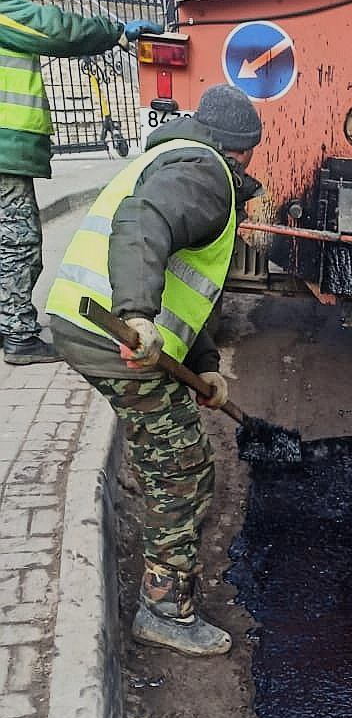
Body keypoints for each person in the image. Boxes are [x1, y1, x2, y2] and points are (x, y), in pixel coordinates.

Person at [46, 85, 264, 657]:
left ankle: (163, 588)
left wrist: (207, 366)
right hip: (112, 333)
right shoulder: (208, 173)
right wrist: (138, 316)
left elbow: (186, 284)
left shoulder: (172, 156)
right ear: (243, 151)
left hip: (85, 323)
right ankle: (164, 607)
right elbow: (142, 222)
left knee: (170, 453)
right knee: (183, 470)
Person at [0, 0, 162, 364]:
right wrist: (117, 33)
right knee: (19, 243)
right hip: (3, 154)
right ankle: (18, 336)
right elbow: (54, 29)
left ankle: (6, 324)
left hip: (7, 154)